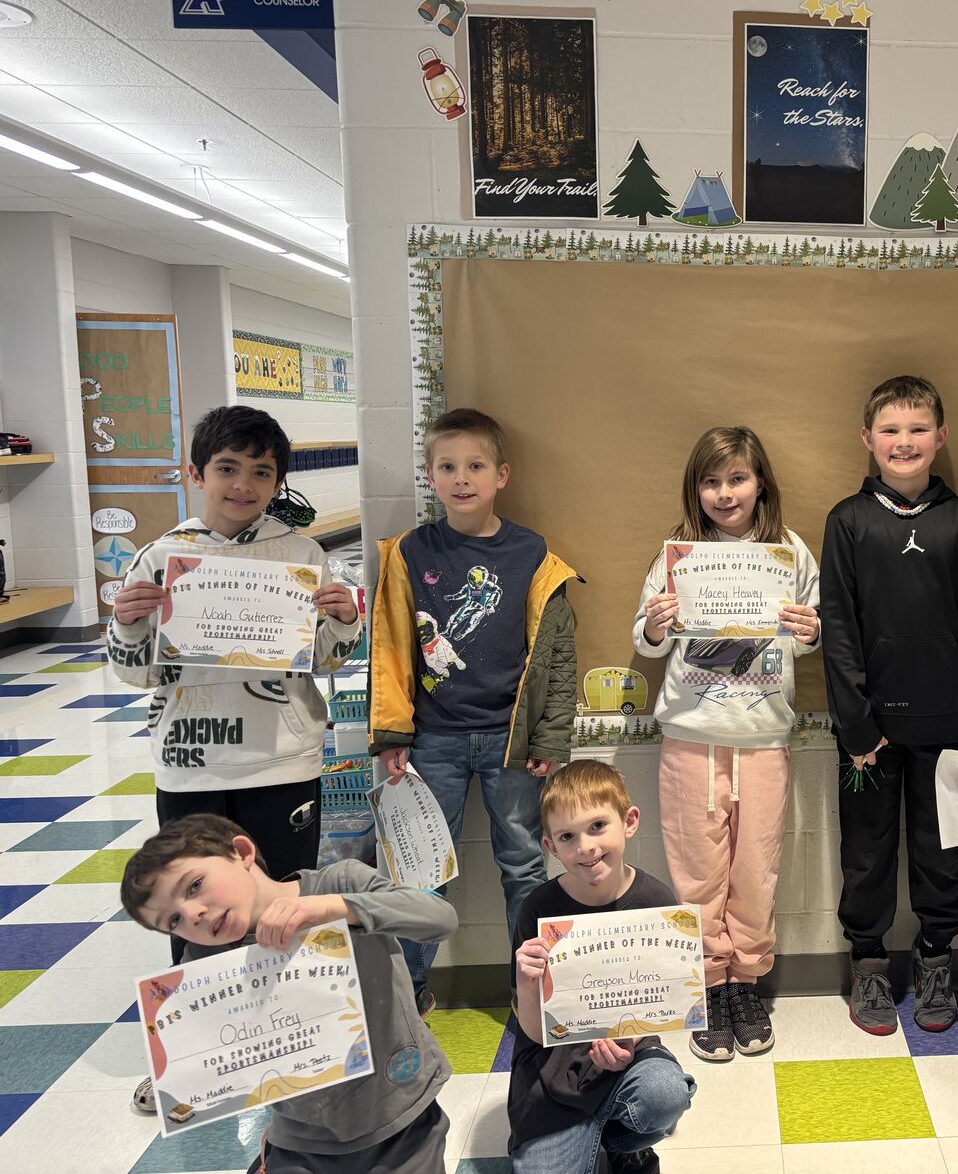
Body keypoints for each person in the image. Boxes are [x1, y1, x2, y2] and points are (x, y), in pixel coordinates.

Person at [107, 405, 362, 1112]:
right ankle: (191, 1060)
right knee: (188, 910)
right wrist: (127, 622)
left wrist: (343, 621)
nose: (243, 485)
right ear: (196, 474)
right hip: (190, 762)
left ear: (277, 482)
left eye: (260, 472)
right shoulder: (162, 557)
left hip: (282, 759)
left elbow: (327, 661)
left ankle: (303, 1047)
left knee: (285, 903)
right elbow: (134, 672)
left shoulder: (301, 555)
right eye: (227, 468)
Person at [368, 407, 579, 1016]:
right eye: (447, 467)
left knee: (524, 865)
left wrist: (550, 738)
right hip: (433, 739)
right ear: (430, 476)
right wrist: (392, 731)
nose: (462, 478)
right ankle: (408, 993)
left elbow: (558, 654)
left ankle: (530, 989)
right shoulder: (411, 552)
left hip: (512, 740)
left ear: (501, 475)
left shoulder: (531, 552)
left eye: (476, 466)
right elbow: (390, 645)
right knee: (421, 870)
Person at [120, 813, 457, 1173]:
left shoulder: (339, 883)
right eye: (174, 921)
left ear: (242, 853)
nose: (193, 915)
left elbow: (440, 919)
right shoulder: (203, 960)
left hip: (401, 1114)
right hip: (300, 1137)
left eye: (194, 886)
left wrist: (337, 908)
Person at [820, 375, 958, 1035]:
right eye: (890, 430)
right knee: (866, 852)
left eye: (918, 429)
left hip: (947, 727)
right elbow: (838, 630)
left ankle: (935, 959)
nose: (905, 442)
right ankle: (868, 962)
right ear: (867, 439)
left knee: (941, 853)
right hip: (866, 734)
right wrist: (856, 724)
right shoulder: (847, 521)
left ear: (941, 437)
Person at [633, 426, 820, 1062]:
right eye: (711, 482)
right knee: (697, 873)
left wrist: (809, 629)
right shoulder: (679, 555)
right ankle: (709, 985)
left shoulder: (789, 552)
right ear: (696, 490)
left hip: (763, 737)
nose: (724, 492)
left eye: (737, 478)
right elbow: (644, 639)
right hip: (691, 737)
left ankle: (745, 983)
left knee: (755, 871)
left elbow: (811, 634)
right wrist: (655, 626)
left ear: (760, 482)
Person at [507, 761, 696, 1174]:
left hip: (630, 1052)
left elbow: (662, 1005)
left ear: (629, 822)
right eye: (567, 837)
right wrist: (526, 981)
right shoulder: (538, 910)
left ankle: (622, 1139)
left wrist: (631, 1041)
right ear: (551, 846)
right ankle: (591, 1131)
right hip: (551, 1069)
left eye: (597, 826)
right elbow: (536, 1033)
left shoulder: (656, 901)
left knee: (665, 1094)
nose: (586, 847)